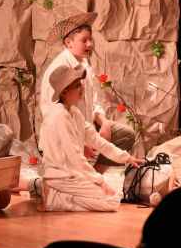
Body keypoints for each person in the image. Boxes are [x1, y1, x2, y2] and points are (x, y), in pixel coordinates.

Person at [40, 12, 138, 173]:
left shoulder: (84, 64)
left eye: (90, 40)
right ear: (68, 43)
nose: (90, 44)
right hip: (64, 135)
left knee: (125, 134)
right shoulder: (58, 69)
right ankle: (84, 178)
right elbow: (51, 114)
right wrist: (79, 140)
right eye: (84, 40)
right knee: (66, 177)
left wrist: (104, 123)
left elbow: (93, 102)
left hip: (84, 127)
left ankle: (96, 175)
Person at [39, 64, 144, 211]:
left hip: (73, 173)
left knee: (112, 196)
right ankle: (54, 199)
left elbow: (98, 141)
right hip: (60, 175)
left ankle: (60, 196)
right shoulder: (59, 115)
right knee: (111, 201)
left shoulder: (74, 113)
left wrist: (126, 157)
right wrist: (98, 180)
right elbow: (75, 155)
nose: (81, 88)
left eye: (80, 83)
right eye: (76, 85)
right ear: (64, 91)